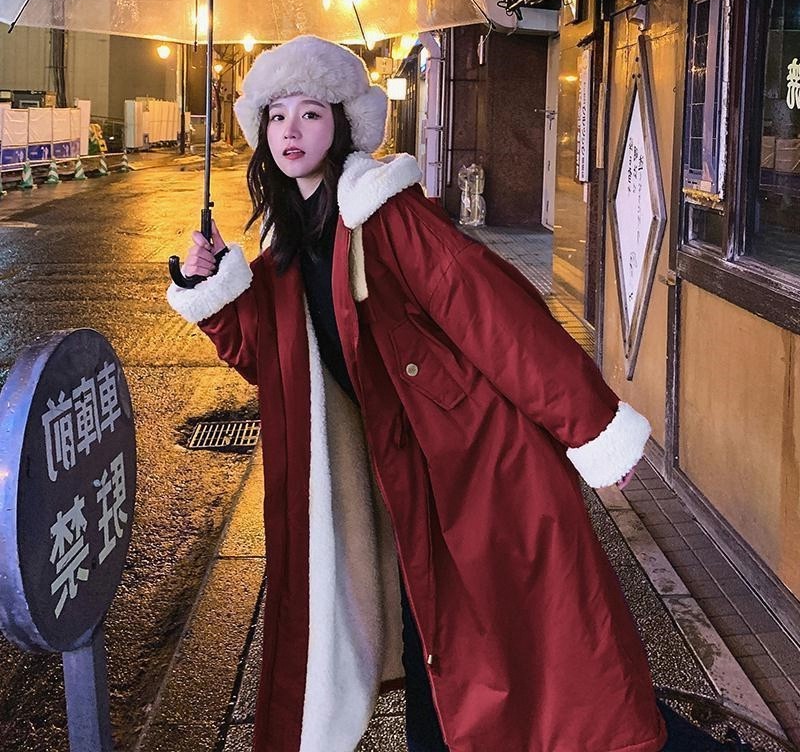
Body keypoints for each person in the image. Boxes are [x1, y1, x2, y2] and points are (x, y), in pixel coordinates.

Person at [167, 36, 731, 752]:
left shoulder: (381, 213)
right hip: (403, 475)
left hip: (476, 464)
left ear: (341, 124)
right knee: (446, 652)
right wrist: (214, 287)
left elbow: (493, 315)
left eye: (310, 113)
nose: (292, 131)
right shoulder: (287, 245)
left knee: (548, 665)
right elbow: (274, 363)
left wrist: (589, 425)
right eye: (277, 116)